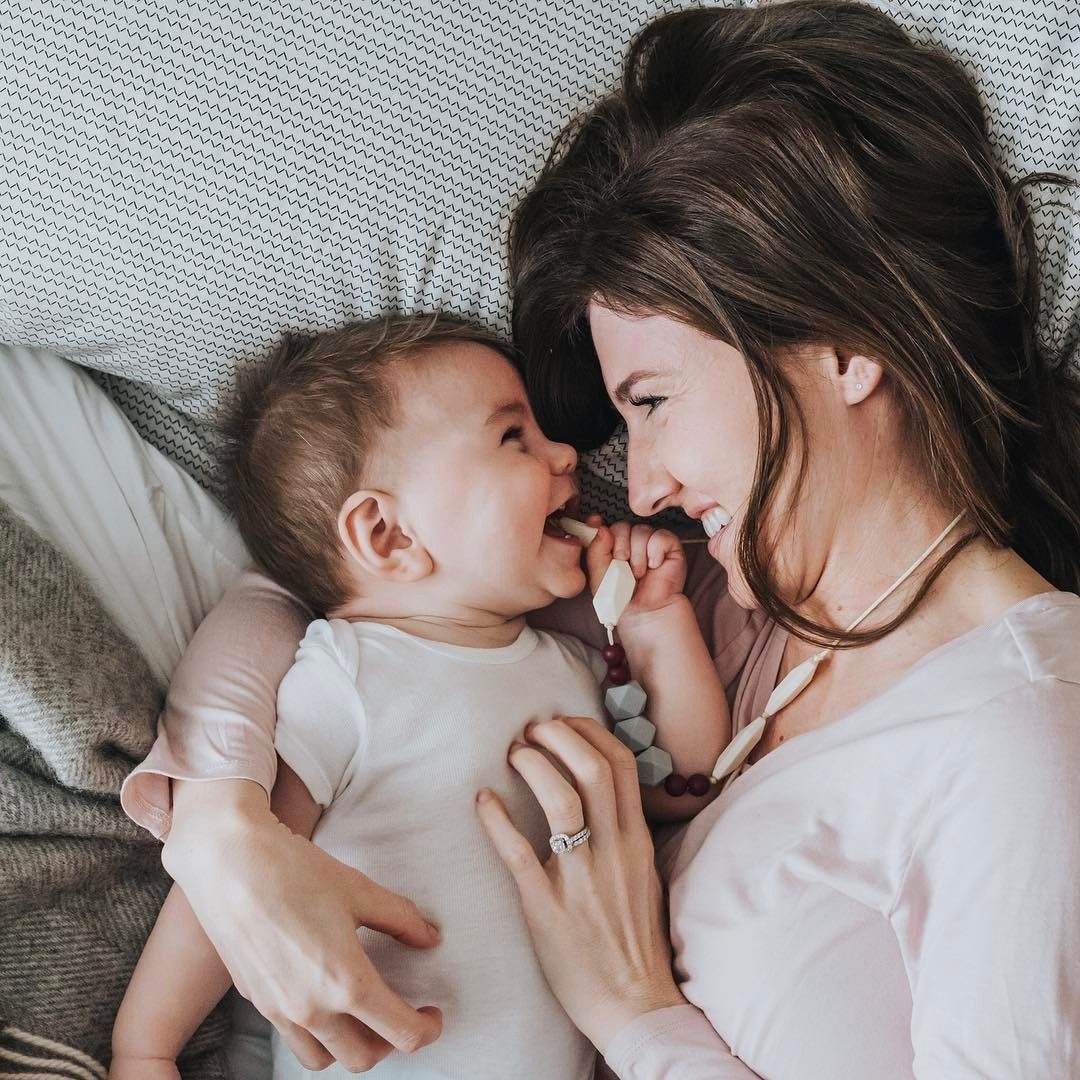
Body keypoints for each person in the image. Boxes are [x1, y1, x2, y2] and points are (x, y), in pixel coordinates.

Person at [117, 2, 1080, 1076]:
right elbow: (307, 589)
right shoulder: (728, 602)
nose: (643, 482)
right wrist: (222, 829)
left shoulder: (1020, 734)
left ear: (846, 350)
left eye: (654, 401)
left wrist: (634, 1014)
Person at [108, 314, 731, 1079]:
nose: (567, 454)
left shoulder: (574, 663)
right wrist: (147, 1046)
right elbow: (247, 879)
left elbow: (680, 784)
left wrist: (657, 625)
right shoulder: (348, 676)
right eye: (514, 437)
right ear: (388, 536)